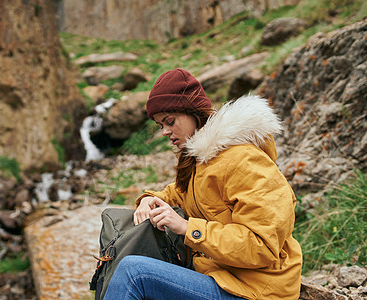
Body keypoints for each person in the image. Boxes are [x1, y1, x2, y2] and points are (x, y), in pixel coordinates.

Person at [103, 69, 302, 300]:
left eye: (170, 121)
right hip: (221, 277)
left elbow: (261, 247)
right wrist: (148, 199)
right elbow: (177, 193)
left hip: (255, 291)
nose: (165, 132)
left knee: (133, 272)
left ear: (194, 113)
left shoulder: (245, 161)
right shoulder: (202, 161)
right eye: (160, 125)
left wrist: (188, 228)